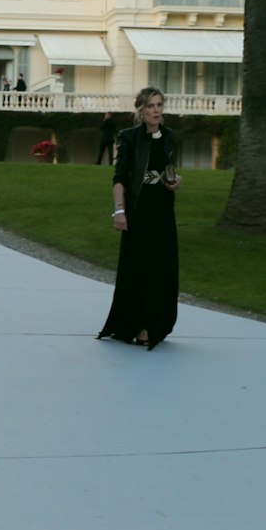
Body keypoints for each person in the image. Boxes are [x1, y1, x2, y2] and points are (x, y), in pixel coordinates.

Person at [98, 87, 181, 350]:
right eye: (150, 106)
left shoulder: (168, 136)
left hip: (163, 210)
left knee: (161, 267)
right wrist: (119, 210)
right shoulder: (129, 137)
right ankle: (137, 325)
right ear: (141, 110)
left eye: (159, 105)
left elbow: (168, 170)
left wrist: (175, 181)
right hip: (138, 209)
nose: (156, 110)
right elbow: (120, 178)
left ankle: (155, 324)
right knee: (139, 267)